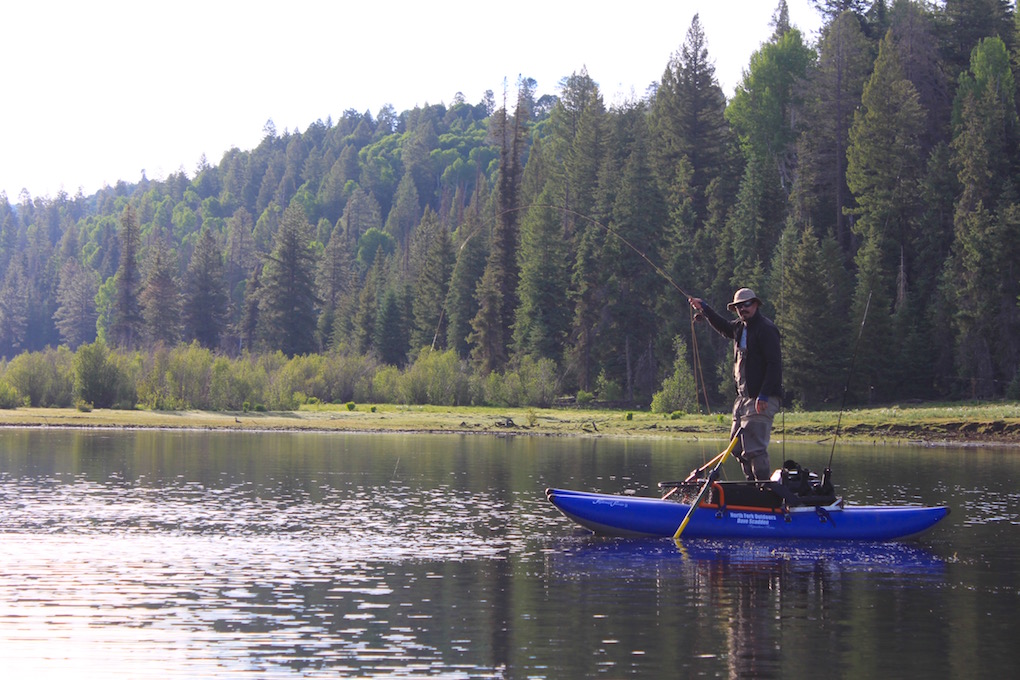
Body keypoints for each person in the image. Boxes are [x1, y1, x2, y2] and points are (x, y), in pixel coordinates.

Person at [688, 288, 782, 482]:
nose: (743, 309)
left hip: (761, 398)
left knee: (755, 449)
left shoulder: (766, 329)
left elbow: (775, 365)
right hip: (743, 399)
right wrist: (704, 309)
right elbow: (723, 326)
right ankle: (751, 485)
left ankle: (763, 489)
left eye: (746, 305)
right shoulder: (740, 327)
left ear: (755, 304)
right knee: (737, 447)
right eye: (739, 306)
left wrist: (764, 395)